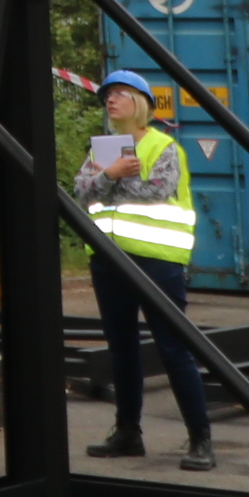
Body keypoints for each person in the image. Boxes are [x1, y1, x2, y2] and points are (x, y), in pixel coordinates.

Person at [75, 67, 211, 470]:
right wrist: (112, 175)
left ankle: (201, 438)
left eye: (119, 94)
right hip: (108, 258)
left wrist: (110, 178)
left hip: (157, 262)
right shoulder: (103, 147)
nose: (110, 101)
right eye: (107, 96)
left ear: (140, 103)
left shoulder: (163, 147)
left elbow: (157, 192)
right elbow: (81, 192)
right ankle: (127, 432)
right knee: (122, 349)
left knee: (173, 348)